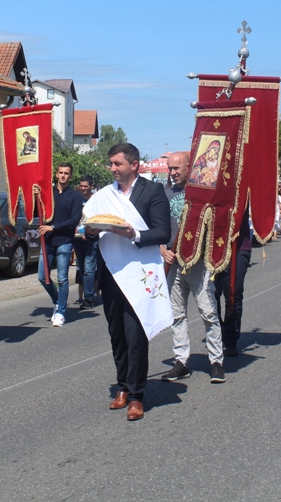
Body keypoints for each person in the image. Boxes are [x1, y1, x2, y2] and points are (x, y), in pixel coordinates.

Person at [86, 143, 171, 421]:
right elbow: (89, 229)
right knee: (117, 335)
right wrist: (89, 231)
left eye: (117, 164)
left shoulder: (152, 191)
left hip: (139, 273)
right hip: (111, 273)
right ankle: (122, 386)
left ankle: (136, 395)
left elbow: (163, 232)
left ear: (133, 165)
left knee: (135, 335)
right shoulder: (105, 195)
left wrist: (133, 233)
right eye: (111, 164)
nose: (112, 168)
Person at [160, 151, 225, 384]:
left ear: (189, 167)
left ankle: (216, 361)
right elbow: (157, 226)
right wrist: (162, 248)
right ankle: (181, 361)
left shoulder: (202, 194)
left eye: (176, 168)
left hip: (198, 263)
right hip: (173, 262)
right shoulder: (165, 195)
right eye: (170, 168)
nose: (172, 172)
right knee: (176, 314)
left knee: (208, 312)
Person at [37, 162, 85, 327]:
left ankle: (60, 312)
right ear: (56, 174)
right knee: (42, 277)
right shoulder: (48, 193)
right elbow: (37, 211)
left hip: (64, 241)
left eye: (66, 173)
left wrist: (54, 227)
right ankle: (58, 300)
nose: (63, 175)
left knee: (62, 278)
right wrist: (35, 196)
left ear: (70, 176)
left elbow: (74, 220)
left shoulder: (75, 196)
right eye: (61, 172)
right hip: (47, 241)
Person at [214, 212, 252, 357]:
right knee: (210, 294)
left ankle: (231, 338)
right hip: (214, 246)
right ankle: (218, 331)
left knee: (233, 292)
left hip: (239, 246)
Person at [73, 177, 99, 308]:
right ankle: (87, 295)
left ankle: (89, 298)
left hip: (91, 238)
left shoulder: (96, 201)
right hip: (77, 238)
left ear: (91, 186)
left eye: (86, 186)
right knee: (82, 268)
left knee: (89, 268)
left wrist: (91, 233)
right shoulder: (76, 199)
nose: (83, 188)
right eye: (81, 186)